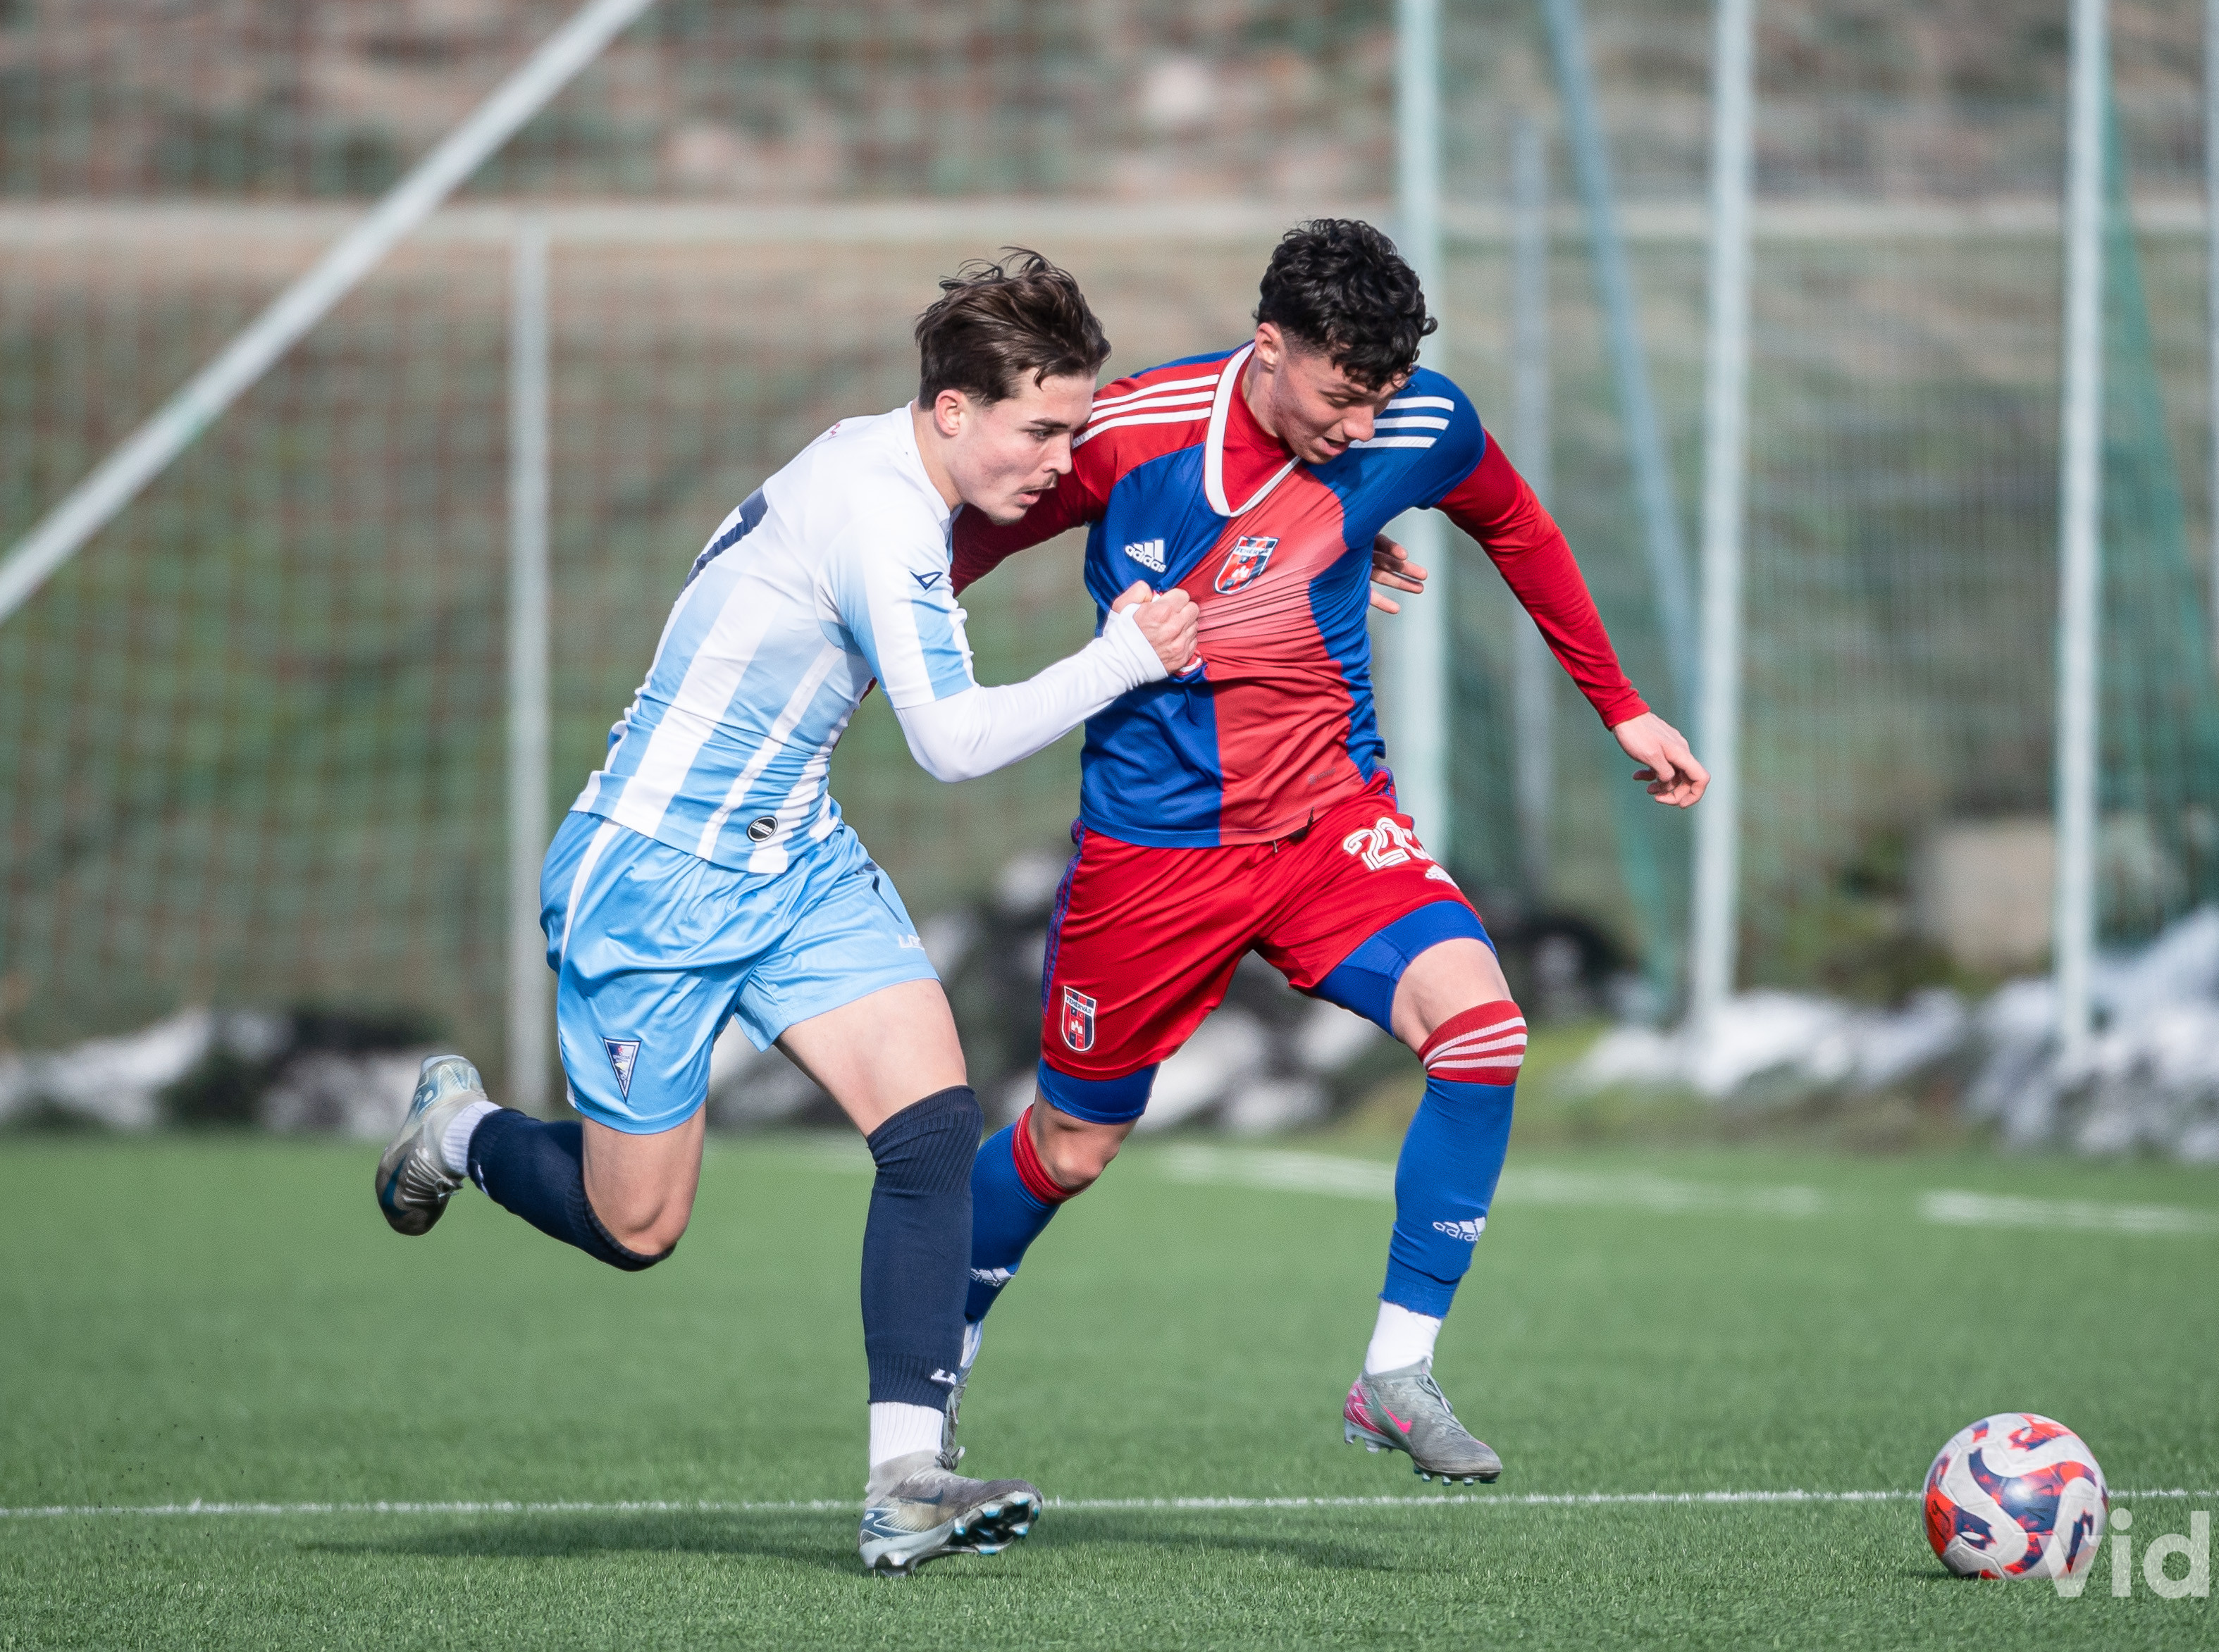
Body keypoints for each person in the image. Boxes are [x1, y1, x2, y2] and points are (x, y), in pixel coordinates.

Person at [371, 251, 1198, 1571]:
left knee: (932, 1129)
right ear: (952, 409)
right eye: (1041, 431)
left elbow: (1163, 447)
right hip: (652, 876)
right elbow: (953, 743)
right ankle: (462, 1131)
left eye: (1071, 431)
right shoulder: (881, 515)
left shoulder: (898, 466)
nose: (1061, 461)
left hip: (792, 857)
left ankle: (905, 1480)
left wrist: (1317, 522)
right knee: (637, 1226)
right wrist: (1125, 658)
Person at [947, 219, 1706, 1484]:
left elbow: (1517, 527)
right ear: (1269, 347)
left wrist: (1620, 706)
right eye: (1339, 397)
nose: (1360, 428)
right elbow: (949, 552)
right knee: (1072, 1145)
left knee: (1483, 1033)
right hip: (1154, 854)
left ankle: (1396, 1373)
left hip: (1328, 823)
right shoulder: (1131, 434)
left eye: (1380, 398)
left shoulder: (1418, 423)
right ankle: (938, 1348)